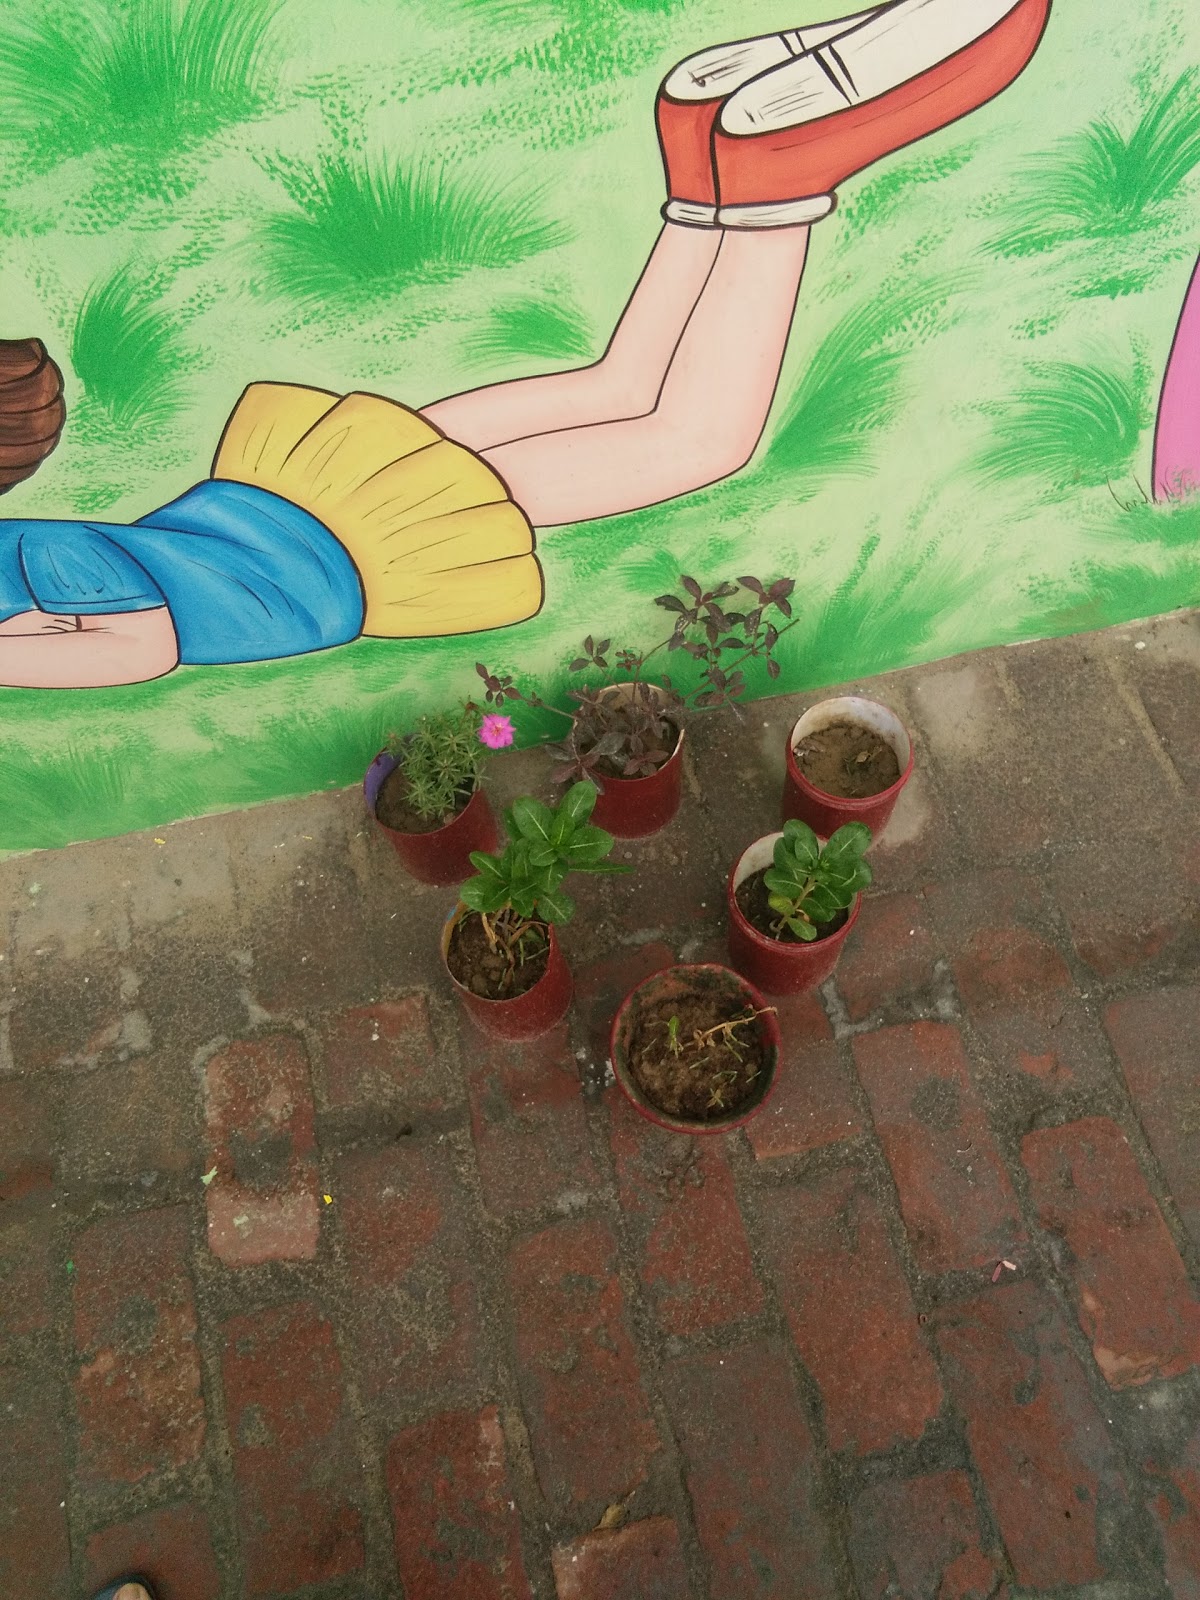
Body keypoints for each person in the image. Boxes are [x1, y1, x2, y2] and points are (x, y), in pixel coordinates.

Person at [0, 0, 1050, 690]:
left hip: (362, 546)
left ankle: (775, 179)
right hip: (288, 488)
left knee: (698, 439)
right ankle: (704, 145)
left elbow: (147, 642)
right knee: (619, 382)